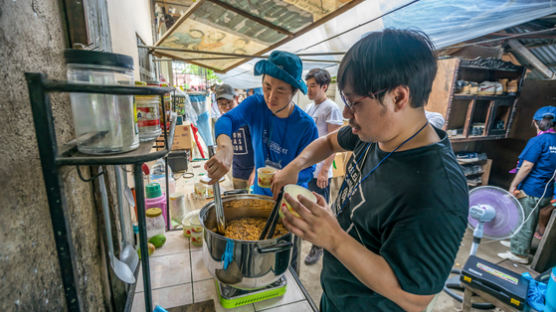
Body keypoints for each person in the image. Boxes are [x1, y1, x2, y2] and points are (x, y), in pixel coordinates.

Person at [271, 29, 468, 312]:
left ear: (398, 97)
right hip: (335, 298)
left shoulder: (437, 191)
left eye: (354, 103)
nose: (347, 114)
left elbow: (414, 298)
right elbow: (328, 141)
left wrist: (333, 238)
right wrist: (296, 164)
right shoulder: (375, 134)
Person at [205, 50, 319, 272]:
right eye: (267, 86)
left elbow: (309, 170)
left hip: (289, 203)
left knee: (285, 259)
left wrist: (287, 175)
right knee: (255, 254)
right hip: (259, 196)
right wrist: (225, 147)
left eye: (280, 90)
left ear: (294, 92)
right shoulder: (257, 105)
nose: (270, 96)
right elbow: (228, 119)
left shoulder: (306, 126)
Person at [498, 106, 556, 264]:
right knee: (525, 217)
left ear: (535, 123)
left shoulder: (538, 141)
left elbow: (526, 166)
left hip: (532, 189)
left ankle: (519, 253)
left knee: (525, 221)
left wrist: (513, 185)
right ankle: (516, 242)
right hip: (546, 190)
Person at [303, 68, 343, 265]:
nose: (309, 90)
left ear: (324, 86)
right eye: (308, 85)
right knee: (309, 205)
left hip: (321, 170)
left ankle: (319, 247)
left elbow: (334, 142)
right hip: (310, 167)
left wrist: (325, 170)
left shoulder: (331, 107)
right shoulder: (311, 108)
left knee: (320, 208)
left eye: (313, 86)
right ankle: (314, 238)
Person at [214, 84, 255, 190]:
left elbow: (261, 148)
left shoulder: (247, 117)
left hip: (254, 173)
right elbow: (222, 147)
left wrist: (256, 171)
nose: (226, 107)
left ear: (236, 98)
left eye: (229, 103)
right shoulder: (223, 122)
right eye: (222, 104)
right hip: (237, 173)